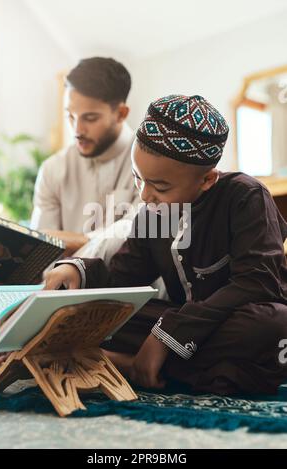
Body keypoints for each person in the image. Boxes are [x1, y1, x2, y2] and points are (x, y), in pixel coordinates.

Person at [20, 95, 287, 394]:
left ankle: (128, 363)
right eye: (138, 179)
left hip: (237, 321)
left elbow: (257, 283)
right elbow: (121, 282)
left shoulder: (245, 196)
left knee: (273, 326)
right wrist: (78, 270)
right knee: (99, 311)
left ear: (207, 179)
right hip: (182, 326)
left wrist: (167, 334)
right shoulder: (152, 214)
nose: (145, 196)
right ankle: (169, 367)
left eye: (160, 186)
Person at [31, 57, 139, 257]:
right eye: (70, 116)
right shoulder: (52, 169)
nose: (77, 130)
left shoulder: (154, 165)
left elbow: (142, 238)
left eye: (90, 118)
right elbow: (40, 251)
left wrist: (77, 242)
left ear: (121, 114)